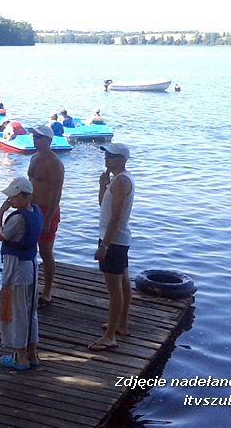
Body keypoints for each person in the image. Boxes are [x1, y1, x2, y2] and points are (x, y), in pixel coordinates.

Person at [0, 176, 42, 371]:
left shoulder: (18, 218)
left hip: (18, 269)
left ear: (24, 196)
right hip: (31, 265)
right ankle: (32, 353)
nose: (11, 201)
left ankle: (20, 357)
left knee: (18, 311)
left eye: (14, 197)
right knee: (31, 311)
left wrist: (0, 213)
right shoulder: (36, 211)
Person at [88, 142, 134, 352]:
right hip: (117, 238)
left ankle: (109, 337)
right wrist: (102, 186)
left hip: (113, 239)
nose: (107, 160)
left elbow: (115, 217)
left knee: (114, 289)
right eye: (106, 156)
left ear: (123, 159)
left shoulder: (122, 181)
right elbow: (104, 208)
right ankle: (121, 325)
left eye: (112, 157)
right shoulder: (116, 180)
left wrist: (104, 245)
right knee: (123, 281)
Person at [27, 124, 65, 309]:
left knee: (46, 251)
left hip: (46, 210)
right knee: (27, 248)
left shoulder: (54, 163)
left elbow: (56, 192)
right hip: (30, 208)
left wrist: (49, 218)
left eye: (39, 138)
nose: (35, 140)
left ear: (48, 141)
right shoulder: (34, 157)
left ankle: (47, 291)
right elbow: (30, 184)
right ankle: (29, 285)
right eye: (34, 137)